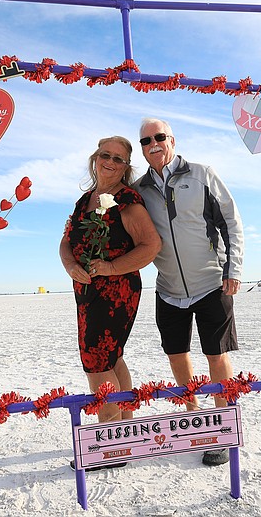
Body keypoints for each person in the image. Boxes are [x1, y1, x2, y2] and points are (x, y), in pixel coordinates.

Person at [133, 117, 243, 467]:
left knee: (216, 354)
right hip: (167, 288)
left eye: (159, 136)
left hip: (212, 282)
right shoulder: (139, 190)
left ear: (172, 140)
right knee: (176, 354)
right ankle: (194, 417)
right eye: (145, 140)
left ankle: (222, 430)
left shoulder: (202, 173)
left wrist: (234, 268)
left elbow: (231, 221)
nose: (153, 143)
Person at [59, 136, 161, 433]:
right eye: (106, 155)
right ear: (95, 157)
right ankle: (124, 430)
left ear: (126, 166)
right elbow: (66, 242)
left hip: (117, 293)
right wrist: (70, 265)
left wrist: (112, 267)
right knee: (111, 359)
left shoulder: (127, 200)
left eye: (118, 159)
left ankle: (110, 437)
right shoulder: (84, 200)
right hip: (87, 292)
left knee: (97, 362)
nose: (110, 162)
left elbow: (151, 245)